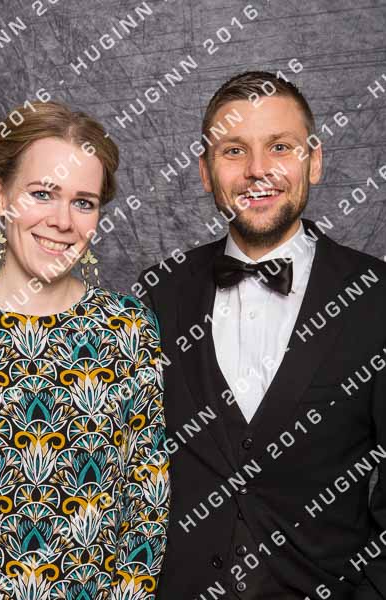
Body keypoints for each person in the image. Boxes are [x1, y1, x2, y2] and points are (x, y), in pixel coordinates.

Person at [138, 71, 386, 599]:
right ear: (205, 172)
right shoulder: (159, 293)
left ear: (313, 161)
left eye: (280, 146)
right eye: (233, 150)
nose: (257, 169)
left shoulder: (376, 297)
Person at [0, 101, 170, 600]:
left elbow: (146, 506)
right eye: (42, 193)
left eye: (83, 202)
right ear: (1, 195)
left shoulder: (129, 329)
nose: (62, 221)